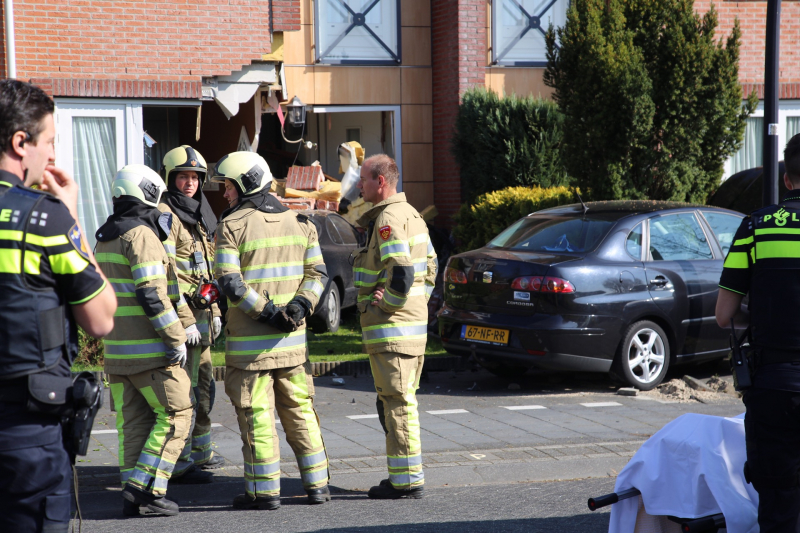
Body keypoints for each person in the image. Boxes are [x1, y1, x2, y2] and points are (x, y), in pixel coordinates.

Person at [0, 79, 117, 532]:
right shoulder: (42, 218)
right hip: (25, 436)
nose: (51, 157)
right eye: (48, 142)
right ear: (19, 142)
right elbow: (101, 318)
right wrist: (72, 219)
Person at [212, 151, 331, 510]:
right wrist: (298, 308)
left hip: (252, 351)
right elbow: (318, 276)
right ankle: (318, 486)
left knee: (256, 417)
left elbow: (231, 284)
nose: (225, 195)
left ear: (246, 183)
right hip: (292, 345)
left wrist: (267, 313)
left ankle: (264, 492)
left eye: (228, 187)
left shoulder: (231, 226)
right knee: (301, 413)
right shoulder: (302, 222)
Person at [96, 164, 201, 517]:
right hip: (152, 354)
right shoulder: (141, 235)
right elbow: (154, 296)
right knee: (178, 414)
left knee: (135, 425)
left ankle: (130, 494)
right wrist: (176, 338)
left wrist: (186, 322)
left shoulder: (105, 236)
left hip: (118, 355)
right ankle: (146, 489)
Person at [716, 133, 800, 532]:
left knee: (777, 503)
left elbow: (723, 314)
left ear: (787, 179)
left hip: (773, 386)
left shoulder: (755, 227)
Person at [353, 154, 437, 499]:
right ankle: (406, 477)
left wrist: (385, 305)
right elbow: (430, 269)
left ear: (381, 182)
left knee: (397, 403)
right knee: (400, 401)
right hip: (411, 329)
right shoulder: (412, 214)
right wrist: (416, 306)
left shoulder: (388, 217)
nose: (360, 185)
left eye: (364, 180)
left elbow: (401, 273)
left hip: (393, 330)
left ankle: (405, 482)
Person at [158, 145, 225, 472]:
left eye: (195, 177)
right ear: (171, 178)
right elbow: (167, 271)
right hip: (184, 322)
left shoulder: (201, 212)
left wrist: (214, 312)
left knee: (206, 391)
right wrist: (187, 317)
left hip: (203, 318)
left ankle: (203, 454)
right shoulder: (166, 215)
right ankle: (180, 460)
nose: (190, 183)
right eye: (183, 176)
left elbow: (208, 270)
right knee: (183, 395)